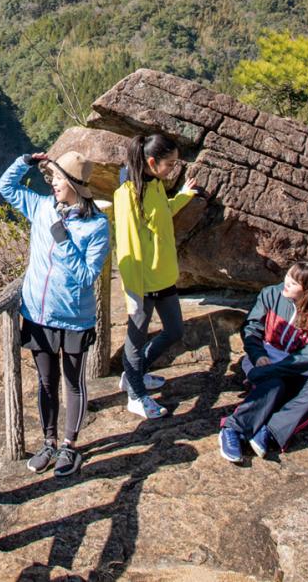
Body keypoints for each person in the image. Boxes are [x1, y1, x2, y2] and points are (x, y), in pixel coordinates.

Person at [0, 150, 111, 477]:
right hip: (38, 313)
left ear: (75, 183)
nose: (53, 184)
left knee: (73, 383)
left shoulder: (96, 226)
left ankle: (69, 445)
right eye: (52, 178)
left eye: (58, 178)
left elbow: (88, 276)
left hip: (74, 317)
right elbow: (5, 187)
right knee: (46, 383)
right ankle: (48, 442)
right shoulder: (42, 207)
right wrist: (24, 162)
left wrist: (63, 241)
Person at [109, 133, 206, 419]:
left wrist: (184, 197)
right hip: (143, 282)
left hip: (163, 276)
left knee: (174, 330)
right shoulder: (128, 193)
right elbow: (126, 244)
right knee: (135, 340)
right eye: (170, 163)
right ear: (151, 161)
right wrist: (133, 293)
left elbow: (162, 214)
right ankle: (136, 395)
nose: (173, 168)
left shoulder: (155, 185)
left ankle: (134, 374)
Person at [218, 260, 308, 463]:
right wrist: (258, 356)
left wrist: (265, 373)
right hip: (266, 358)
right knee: (274, 386)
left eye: (294, 281)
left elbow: (307, 358)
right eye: (288, 275)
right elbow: (251, 328)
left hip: (300, 370)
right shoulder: (270, 294)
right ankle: (233, 429)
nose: (286, 282)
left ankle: (269, 432)